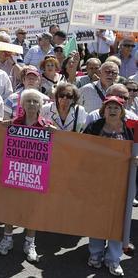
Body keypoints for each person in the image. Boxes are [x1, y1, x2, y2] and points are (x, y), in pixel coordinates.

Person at [0, 89, 53, 263]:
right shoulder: (14, 123)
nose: (32, 105)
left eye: (36, 102)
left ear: (40, 106)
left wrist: (55, 132)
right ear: (22, 105)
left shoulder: (47, 126)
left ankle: (30, 243)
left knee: (32, 209)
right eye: (28, 101)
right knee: (11, 207)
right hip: (15, 172)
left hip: (35, 176)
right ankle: (7, 239)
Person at [83, 96, 134, 276]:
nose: (112, 110)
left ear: (122, 111)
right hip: (97, 181)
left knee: (118, 220)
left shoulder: (130, 130)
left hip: (122, 182)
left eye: (116, 107)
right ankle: (95, 254)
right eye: (109, 107)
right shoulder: (94, 127)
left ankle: (113, 259)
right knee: (97, 218)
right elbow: (81, 148)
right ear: (103, 110)